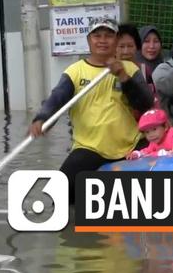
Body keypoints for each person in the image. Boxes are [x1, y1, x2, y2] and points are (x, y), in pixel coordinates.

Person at [29, 17, 154, 203]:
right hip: (91, 147)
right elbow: (56, 100)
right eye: (97, 36)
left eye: (108, 36)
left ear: (116, 40)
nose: (102, 40)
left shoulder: (129, 69)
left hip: (132, 145)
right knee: (59, 191)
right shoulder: (75, 71)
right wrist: (42, 119)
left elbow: (145, 104)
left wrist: (122, 76)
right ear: (89, 40)